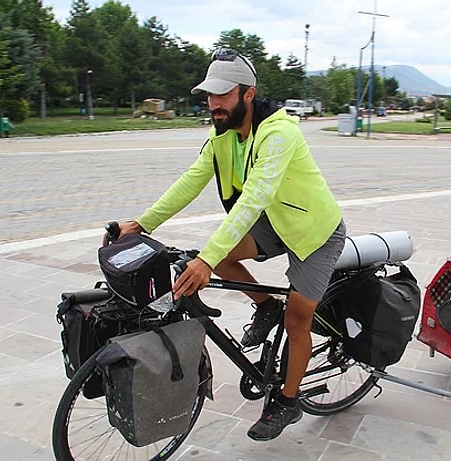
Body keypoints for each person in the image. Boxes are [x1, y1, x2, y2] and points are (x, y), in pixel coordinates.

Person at [111, 48, 345, 441]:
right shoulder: (220, 134)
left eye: (223, 95)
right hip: (273, 221)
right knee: (215, 257)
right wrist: (144, 222)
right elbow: (193, 178)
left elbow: (254, 196)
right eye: (209, 95)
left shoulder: (279, 132)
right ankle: (266, 307)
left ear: (248, 94)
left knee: (299, 317)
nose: (214, 104)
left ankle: (287, 403)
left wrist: (206, 258)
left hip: (313, 232)